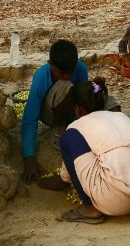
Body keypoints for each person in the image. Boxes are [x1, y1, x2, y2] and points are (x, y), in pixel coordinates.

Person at [37, 78, 130, 223]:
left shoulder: (78, 126)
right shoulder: (122, 117)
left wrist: (62, 180)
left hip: (116, 203)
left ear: (78, 109)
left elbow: (72, 165)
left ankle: (90, 208)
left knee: (68, 138)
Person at [20, 39, 121, 183]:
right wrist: (29, 157)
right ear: (50, 64)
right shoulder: (41, 77)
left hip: (73, 111)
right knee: (65, 86)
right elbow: (30, 118)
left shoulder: (80, 68)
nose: (66, 76)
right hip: (52, 115)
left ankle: (115, 134)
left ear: (75, 65)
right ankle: (59, 133)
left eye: (70, 72)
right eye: (60, 73)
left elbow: (83, 97)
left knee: (103, 96)